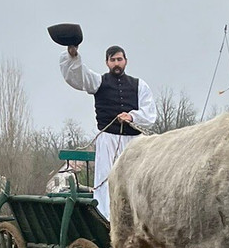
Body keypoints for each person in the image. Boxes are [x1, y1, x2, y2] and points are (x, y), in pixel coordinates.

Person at [60, 44, 157, 217]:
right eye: (113, 60)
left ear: (126, 61)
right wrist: (73, 56)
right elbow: (79, 77)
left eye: (119, 59)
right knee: (107, 180)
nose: (116, 63)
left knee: (136, 180)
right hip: (108, 141)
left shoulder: (139, 85)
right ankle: (107, 219)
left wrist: (132, 117)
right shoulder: (99, 82)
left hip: (134, 143)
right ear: (107, 63)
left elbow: (150, 113)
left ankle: (138, 219)